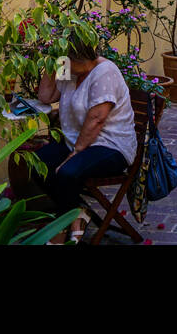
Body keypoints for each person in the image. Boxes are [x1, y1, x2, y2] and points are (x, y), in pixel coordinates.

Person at [29, 40, 137, 241]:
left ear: (77, 58)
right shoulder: (70, 70)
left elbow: (97, 118)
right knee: (36, 163)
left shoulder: (105, 72)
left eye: (64, 59)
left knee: (67, 173)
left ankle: (64, 223)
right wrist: (51, 65)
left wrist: (76, 152)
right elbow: (46, 96)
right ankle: (77, 214)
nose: (62, 64)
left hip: (110, 146)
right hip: (77, 142)